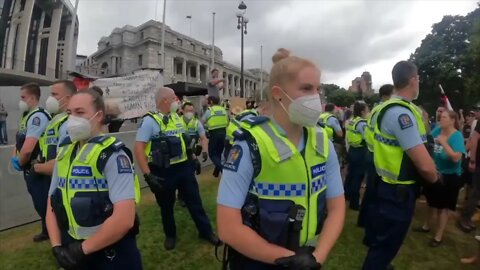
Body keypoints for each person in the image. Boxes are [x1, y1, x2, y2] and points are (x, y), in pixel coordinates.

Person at [217, 48, 345, 270]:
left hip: (308, 257)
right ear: (278, 93)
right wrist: (287, 259)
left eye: (317, 89)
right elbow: (228, 227)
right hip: (257, 259)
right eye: (306, 88)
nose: (316, 97)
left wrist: (317, 257)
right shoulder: (249, 145)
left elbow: (337, 207)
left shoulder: (322, 142)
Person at [46, 89, 142, 269]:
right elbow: (52, 201)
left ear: (98, 116)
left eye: (80, 112)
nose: (72, 119)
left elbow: (124, 219)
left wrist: (81, 250)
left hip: (110, 253)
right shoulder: (65, 153)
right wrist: (57, 246)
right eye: (69, 113)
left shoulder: (112, 155)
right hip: (73, 247)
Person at [362, 61, 440, 270]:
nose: (419, 84)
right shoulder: (401, 114)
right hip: (398, 190)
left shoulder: (383, 108)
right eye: (419, 80)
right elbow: (423, 164)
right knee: (387, 245)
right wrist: (435, 179)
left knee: (383, 238)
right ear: (413, 80)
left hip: (385, 182)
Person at [134, 87, 219, 250]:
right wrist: (148, 175)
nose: (177, 101)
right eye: (174, 98)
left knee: (195, 201)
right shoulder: (150, 121)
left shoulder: (176, 117)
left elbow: (183, 141)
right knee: (166, 206)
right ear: (165, 100)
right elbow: (138, 149)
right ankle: (170, 235)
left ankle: (206, 231)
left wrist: (193, 159)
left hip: (184, 168)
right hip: (163, 171)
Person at [416, 110, 465, 247]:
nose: (440, 119)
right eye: (440, 117)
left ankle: (438, 236)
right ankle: (426, 226)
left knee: (443, 207)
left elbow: (456, 158)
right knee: (430, 202)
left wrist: (444, 143)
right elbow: (428, 142)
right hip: (434, 173)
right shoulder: (437, 130)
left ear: (452, 120)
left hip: (449, 177)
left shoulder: (457, 136)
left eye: (444, 117)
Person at [11, 82, 52, 242]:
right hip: (28, 166)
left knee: (43, 201)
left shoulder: (38, 116)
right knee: (38, 200)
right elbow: (20, 139)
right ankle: (46, 230)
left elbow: (28, 149)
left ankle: (55, 234)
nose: (20, 101)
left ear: (32, 98)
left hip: (37, 166)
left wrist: (20, 163)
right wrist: (15, 156)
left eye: (23, 97)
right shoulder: (27, 115)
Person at [358, 84, 393, 228]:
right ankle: (370, 222)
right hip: (376, 154)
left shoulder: (375, 109)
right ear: (387, 95)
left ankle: (364, 220)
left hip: (370, 151)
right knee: (375, 191)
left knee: (371, 190)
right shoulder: (385, 110)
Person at [34, 80, 76, 177]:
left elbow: (63, 163)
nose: (50, 98)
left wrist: (37, 168)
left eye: (54, 94)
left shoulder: (69, 124)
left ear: (68, 98)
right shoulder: (55, 120)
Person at [458, 108, 480, 232]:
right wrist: (472, 160)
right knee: (475, 192)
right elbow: (474, 139)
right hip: (477, 162)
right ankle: (465, 218)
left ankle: (468, 217)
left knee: (476, 192)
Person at [344, 102, 368, 211]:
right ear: (362, 111)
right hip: (360, 151)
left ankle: (347, 195)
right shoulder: (362, 123)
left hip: (352, 150)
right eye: (367, 109)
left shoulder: (352, 120)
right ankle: (354, 203)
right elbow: (367, 137)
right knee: (357, 177)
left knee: (350, 175)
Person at [202, 95, 229, 178]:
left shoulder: (210, 110)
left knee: (212, 154)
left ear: (211, 102)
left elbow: (202, 122)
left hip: (214, 134)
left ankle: (222, 170)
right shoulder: (223, 110)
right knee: (219, 153)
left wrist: (206, 128)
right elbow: (227, 121)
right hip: (223, 133)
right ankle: (216, 172)